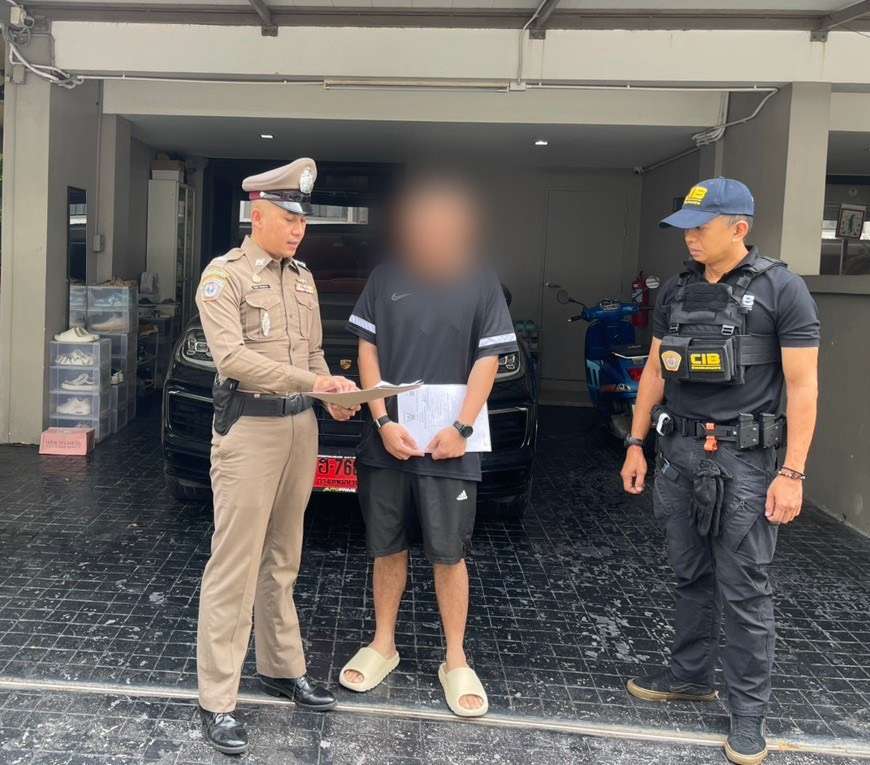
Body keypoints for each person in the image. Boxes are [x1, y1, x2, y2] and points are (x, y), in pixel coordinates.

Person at [620, 178, 820, 765]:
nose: (689, 238)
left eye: (700, 227)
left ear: (740, 228)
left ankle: (748, 714)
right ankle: (689, 676)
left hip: (746, 464)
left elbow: (804, 388)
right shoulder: (677, 290)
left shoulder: (783, 290)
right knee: (690, 575)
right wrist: (635, 443)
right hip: (680, 455)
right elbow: (655, 372)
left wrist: (793, 473)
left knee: (746, 590)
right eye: (684, 228)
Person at [194, 158, 359, 755]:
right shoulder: (225, 277)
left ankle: (281, 668)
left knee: (284, 557)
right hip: (250, 432)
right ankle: (217, 698)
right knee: (234, 564)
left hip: (298, 429)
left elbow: (312, 353)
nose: (298, 229)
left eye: (303, 220)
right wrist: (313, 382)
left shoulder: (302, 278)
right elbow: (233, 359)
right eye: (289, 218)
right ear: (258, 215)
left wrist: (334, 394)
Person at [339, 173, 518, 718]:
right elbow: (367, 348)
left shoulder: (481, 281)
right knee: (386, 546)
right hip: (389, 440)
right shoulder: (385, 277)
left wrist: (462, 428)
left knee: (449, 553)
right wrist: (380, 419)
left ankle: (455, 658)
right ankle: (383, 644)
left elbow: (488, 358)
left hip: (450, 444)